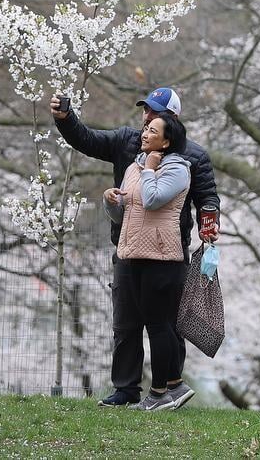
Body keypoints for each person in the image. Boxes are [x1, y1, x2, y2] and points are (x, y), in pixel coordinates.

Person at [51, 87, 220, 409]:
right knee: (126, 323)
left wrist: (209, 226)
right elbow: (86, 139)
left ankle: (168, 387)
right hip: (127, 246)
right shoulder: (128, 144)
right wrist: (65, 118)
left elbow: (207, 197)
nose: (146, 119)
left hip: (167, 249)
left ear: (172, 121)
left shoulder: (191, 157)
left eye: (154, 115)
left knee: (166, 323)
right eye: (146, 112)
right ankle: (126, 389)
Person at [104, 112, 191, 410]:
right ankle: (171, 390)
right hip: (134, 253)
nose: (144, 134)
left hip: (161, 256)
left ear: (166, 142)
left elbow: (154, 199)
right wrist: (110, 201)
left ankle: (159, 394)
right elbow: (125, 212)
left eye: (152, 131)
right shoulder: (134, 167)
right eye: (145, 129)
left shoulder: (178, 169)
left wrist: (150, 170)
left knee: (158, 324)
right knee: (147, 323)